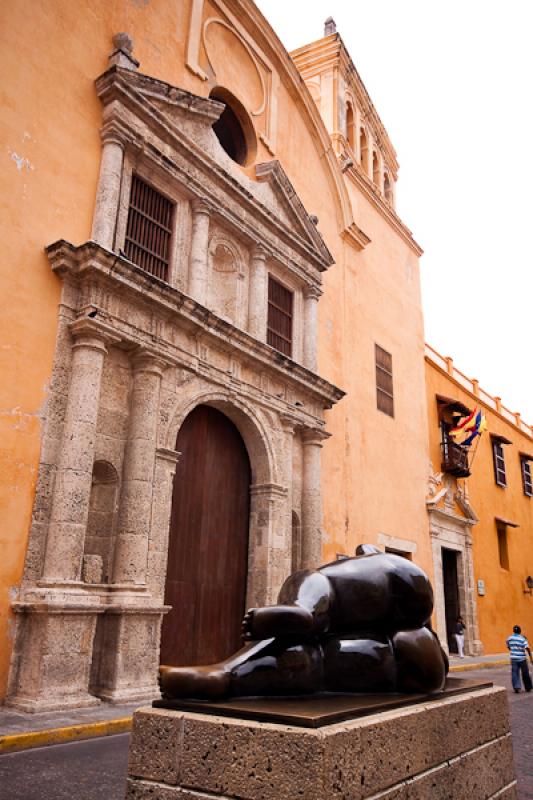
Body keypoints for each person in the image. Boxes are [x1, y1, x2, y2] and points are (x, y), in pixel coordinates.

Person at [160, 544, 449, 700]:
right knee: (308, 643)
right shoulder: (415, 632)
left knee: (305, 651)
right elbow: (431, 676)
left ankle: (224, 676)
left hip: (330, 612)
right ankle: (224, 676)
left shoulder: (409, 636)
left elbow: (365, 550)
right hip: (337, 607)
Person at [506, 625, 533, 693]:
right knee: (525, 673)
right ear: (520, 631)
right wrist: (531, 658)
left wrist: (513, 651)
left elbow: (508, 646)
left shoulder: (509, 638)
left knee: (515, 673)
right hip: (522, 658)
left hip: (513, 658)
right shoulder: (522, 638)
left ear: (513, 631)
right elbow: (527, 648)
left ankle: (517, 687)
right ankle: (528, 687)